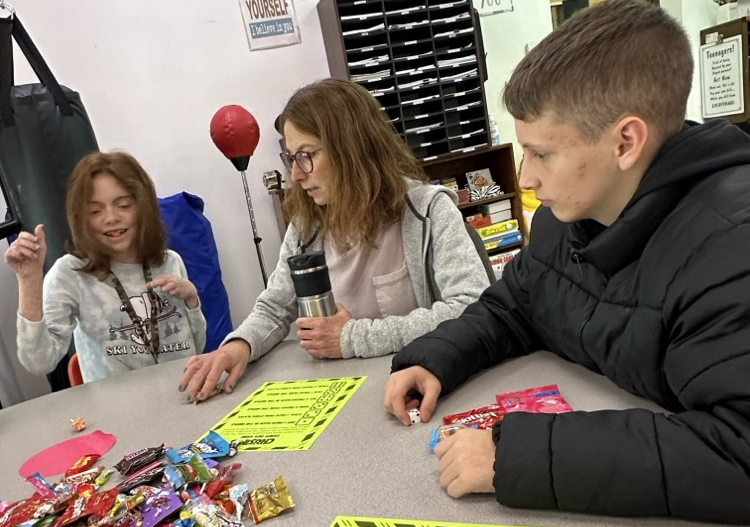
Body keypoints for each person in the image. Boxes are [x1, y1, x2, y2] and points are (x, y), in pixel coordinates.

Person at [385, 0, 750, 525]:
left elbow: (738, 450)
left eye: (543, 153)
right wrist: (440, 355)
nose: (526, 177)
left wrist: (514, 455)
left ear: (626, 141)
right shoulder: (567, 212)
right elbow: (518, 303)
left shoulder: (731, 247)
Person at [181, 78, 490, 401]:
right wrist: (238, 345)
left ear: (351, 149)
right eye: (290, 158)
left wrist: (352, 338)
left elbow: (472, 307)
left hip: (420, 386)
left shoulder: (428, 210)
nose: (296, 175)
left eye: (306, 155)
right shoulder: (307, 224)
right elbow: (274, 308)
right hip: (345, 392)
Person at [6, 150, 206, 383]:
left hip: (183, 395)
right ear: (81, 218)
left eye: (123, 205)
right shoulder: (70, 274)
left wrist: (192, 300)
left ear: (143, 208)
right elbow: (39, 361)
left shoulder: (169, 261)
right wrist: (29, 279)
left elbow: (196, 349)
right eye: (95, 211)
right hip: (118, 412)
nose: (111, 217)